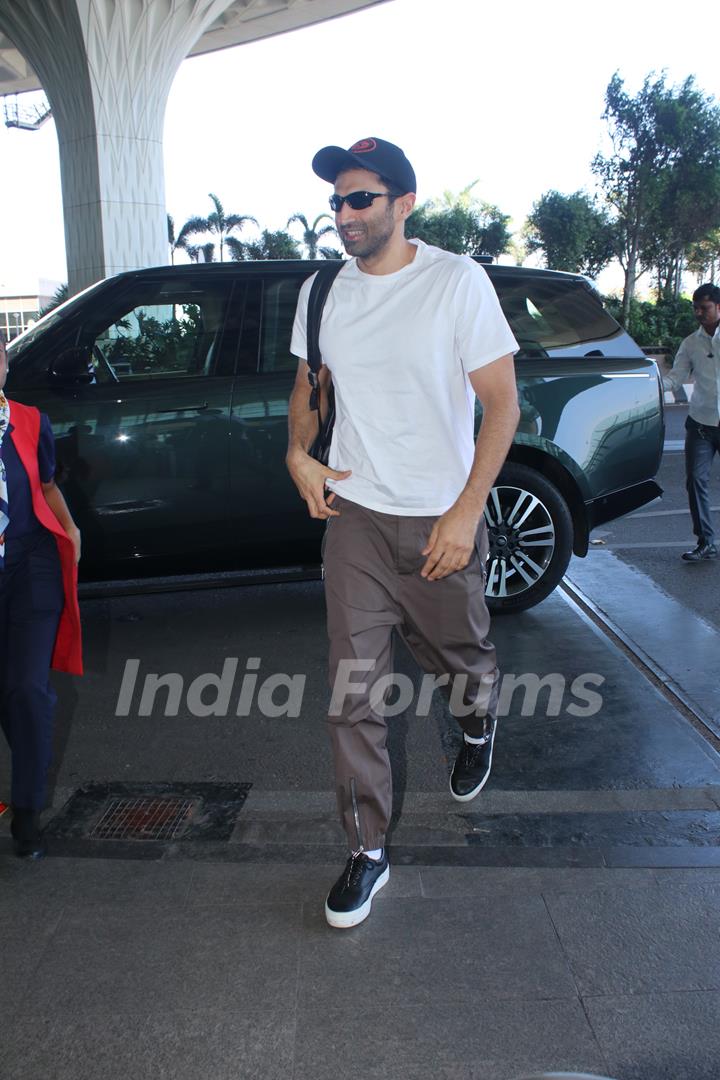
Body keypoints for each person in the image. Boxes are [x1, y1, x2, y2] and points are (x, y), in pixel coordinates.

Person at [286, 137, 519, 928]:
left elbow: (503, 405)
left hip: (441, 513)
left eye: (360, 199)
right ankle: (366, 848)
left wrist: (465, 510)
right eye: (336, 202)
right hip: (355, 516)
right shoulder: (322, 292)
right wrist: (296, 451)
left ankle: (478, 714)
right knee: (353, 692)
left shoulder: (456, 282)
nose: (344, 215)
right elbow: (309, 391)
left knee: (460, 652)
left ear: (403, 204)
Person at [0, 335, 83, 858]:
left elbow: (47, 485)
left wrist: (71, 531)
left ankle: (26, 809)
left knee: (28, 688)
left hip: (31, 565)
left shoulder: (30, 421)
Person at [663, 282, 720, 562]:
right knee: (696, 481)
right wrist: (652, 383)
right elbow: (676, 376)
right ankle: (706, 541)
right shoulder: (691, 343)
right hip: (701, 424)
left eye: (705, 308)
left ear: (718, 307)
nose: (699, 313)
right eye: (696, 308)